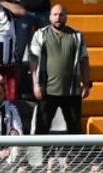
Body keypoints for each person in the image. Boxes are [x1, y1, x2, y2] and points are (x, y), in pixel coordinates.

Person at [27, 4, 91, 134]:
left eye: (61, 15)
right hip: (47, 91)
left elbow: (84, 60)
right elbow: (33, 61)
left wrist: (86, 84)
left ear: (66, 17)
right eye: (55, 14)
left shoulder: (77, 36)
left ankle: (75, 155)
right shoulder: (40, 34)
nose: (58, 18)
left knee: (75, 129)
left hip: (71, 91)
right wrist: (36, 85)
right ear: (50, 17)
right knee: (42, 128)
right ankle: (44, 155)